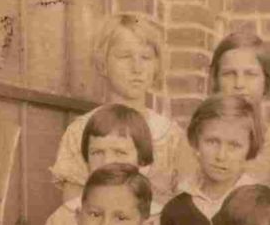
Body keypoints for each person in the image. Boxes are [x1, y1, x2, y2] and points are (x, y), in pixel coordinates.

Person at [50, 14, 194, 203]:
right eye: (125, 56)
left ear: (156, 66)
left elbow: (186, 208)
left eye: (146, 57)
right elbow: (72, 208)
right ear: (103, 63)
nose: (137, 68)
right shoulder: (81, 130)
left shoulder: (171, 136)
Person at [39, 104, 162, 225]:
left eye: (120, 152)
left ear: (141, 159)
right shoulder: (64, 219)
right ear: (86, 159)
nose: (107, 162)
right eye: (97, 153)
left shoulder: (159, 219)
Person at [161, 95, 263, 225]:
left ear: (250, 149)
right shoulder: (175, 210)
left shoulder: (261, 206)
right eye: (212, 142)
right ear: (196, 142)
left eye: (234, 145)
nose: (221, 155)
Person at [209, 32, 270, 185]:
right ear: (216, 81)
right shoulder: (202, 137)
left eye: (250, 74)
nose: (239, 84)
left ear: (267, 81)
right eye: (229, 74)